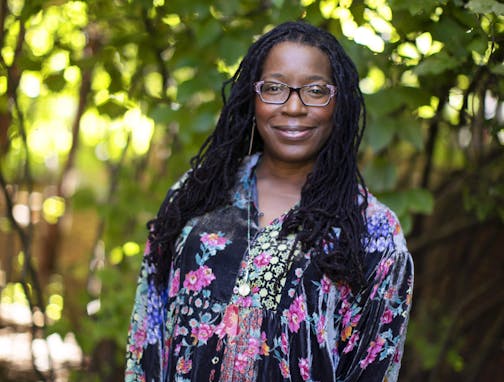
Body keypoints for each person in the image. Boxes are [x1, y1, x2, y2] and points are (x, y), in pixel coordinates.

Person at [125, 21, 413, 382]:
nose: (293, 107)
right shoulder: (198, 196)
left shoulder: (373, 231)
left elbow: (375, 368)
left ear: (339, 102)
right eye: (274, 88)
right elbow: (147, 330)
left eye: (315, 90)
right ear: (252, 97)